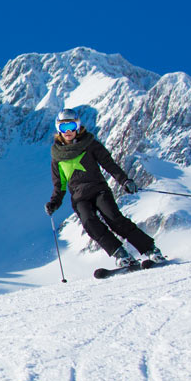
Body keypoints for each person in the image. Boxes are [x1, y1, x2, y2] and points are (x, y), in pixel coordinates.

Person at [44, 109, 166, 269]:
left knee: (114, 219)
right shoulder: (57, 157)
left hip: (99, 191)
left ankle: (150, 249)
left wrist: (125, 181)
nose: (68, 131)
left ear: (78, 126)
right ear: (58, 129)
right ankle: (120, 254)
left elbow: (109, 164)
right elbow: (59, 185)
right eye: (63, 127)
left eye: (71, 126)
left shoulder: (90, 144)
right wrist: (54, 203)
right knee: (90, 223)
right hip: (80, 198)